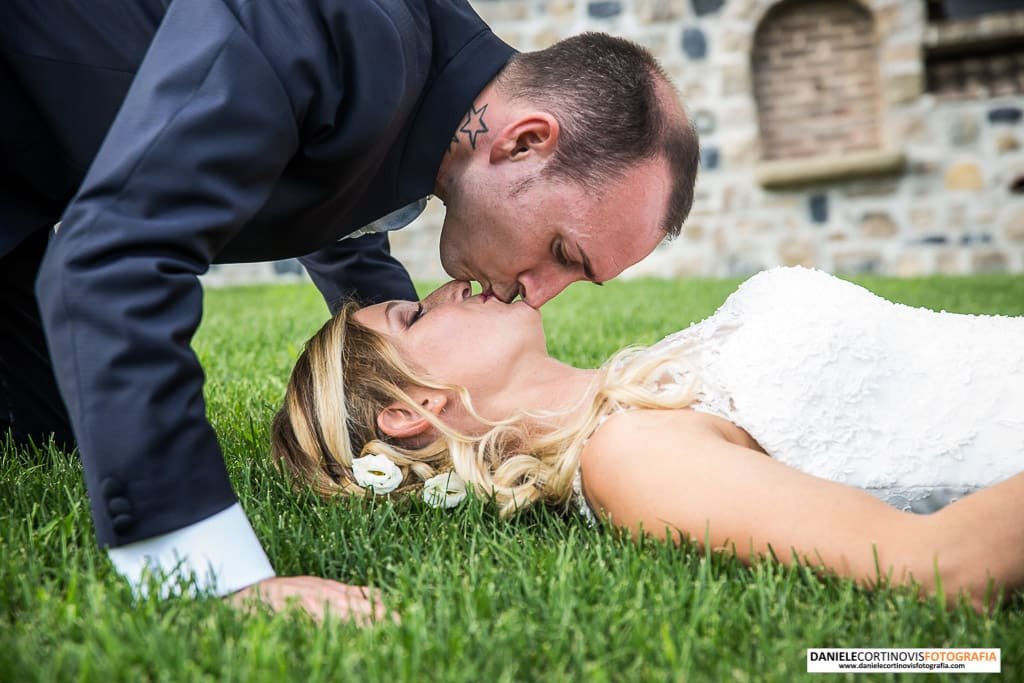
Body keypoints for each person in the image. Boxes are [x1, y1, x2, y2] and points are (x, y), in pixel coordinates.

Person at [0, 0, 700, 621]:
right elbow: (118, 255)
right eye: (562, 252)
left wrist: (404, 378)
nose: (540, 293)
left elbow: (339, 191)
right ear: (523, 142)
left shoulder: (421, 74)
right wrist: (210, 574)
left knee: (51, 441)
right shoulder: (328, 22)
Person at [272, 268, 1024, 610]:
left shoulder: (647, 386)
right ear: (413, 408)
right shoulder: (628, 456)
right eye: (414, 316)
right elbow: (938, 570)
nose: (450, 286)